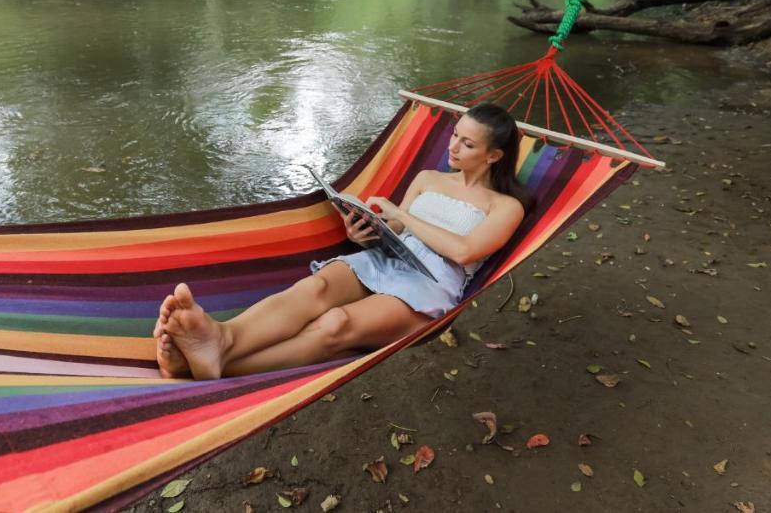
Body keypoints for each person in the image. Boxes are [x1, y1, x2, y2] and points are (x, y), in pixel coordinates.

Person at [153, 103, 533, 380]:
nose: (451, 147)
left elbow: (465, 251)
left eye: (467, 144)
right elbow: (399, 234)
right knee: (314, 287)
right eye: (454, 135)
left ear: (494, 156)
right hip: (388, 262)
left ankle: (202, 366)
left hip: (430, 288)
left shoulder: (505, 206)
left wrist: (402, 215)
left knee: (336, 324)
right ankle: (221, 337)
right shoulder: (428, 178)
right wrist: (367, 232)